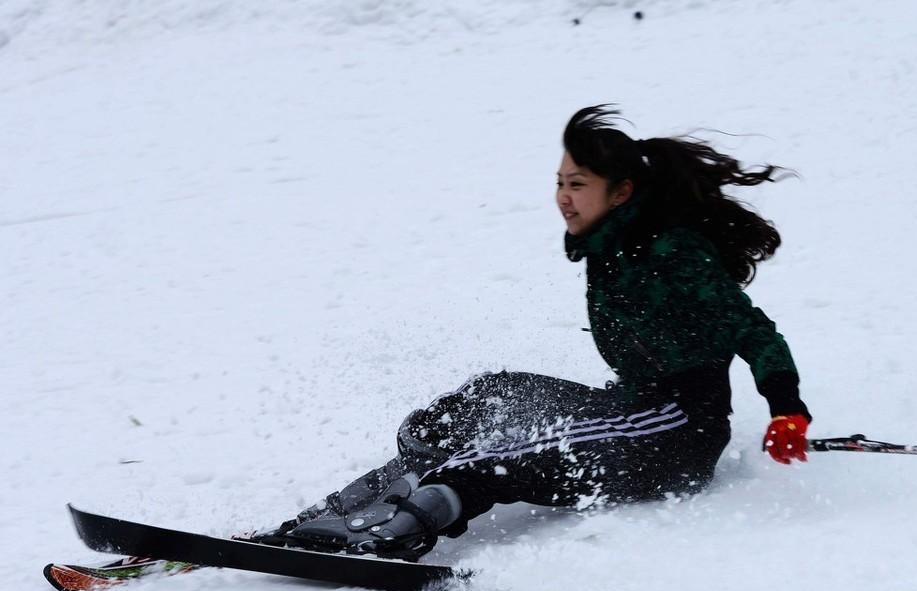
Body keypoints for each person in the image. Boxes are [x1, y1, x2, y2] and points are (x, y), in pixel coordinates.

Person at [257, 106, 813, 560]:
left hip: (674, 432)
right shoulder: (610, 246)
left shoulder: (673, 251)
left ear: (619, 193)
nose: (564, 196)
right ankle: (332, 517)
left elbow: (753, 329)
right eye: (560, 183)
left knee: (504, 455)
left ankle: (396, 533)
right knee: (482, 402)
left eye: (578, 184)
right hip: (628, 408)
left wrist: (786, 406)